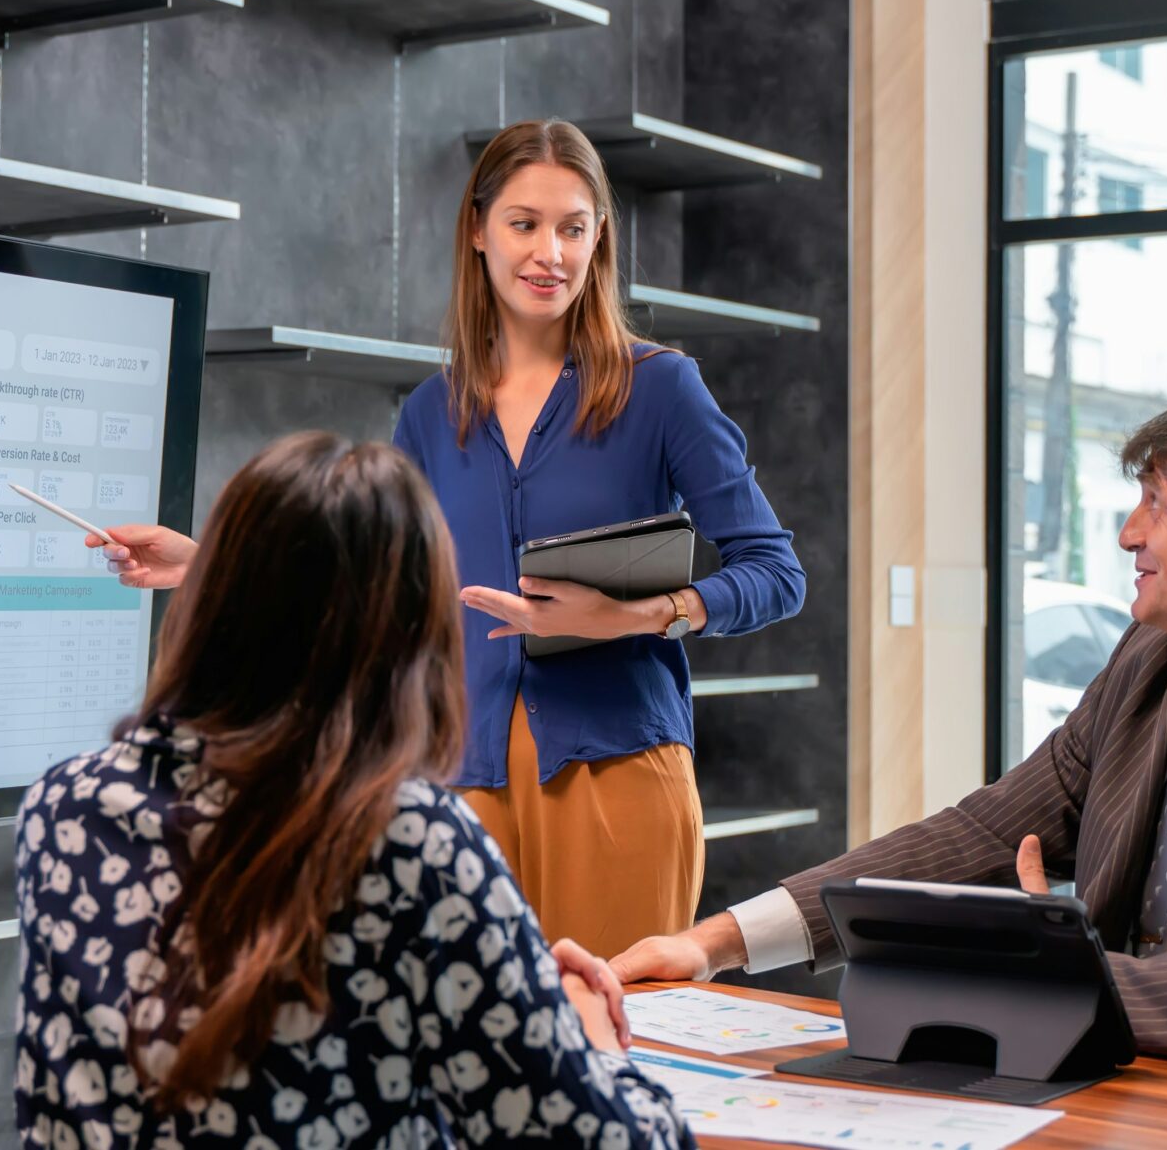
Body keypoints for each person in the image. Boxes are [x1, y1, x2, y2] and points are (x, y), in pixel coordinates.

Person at [92, 118, 806, 960]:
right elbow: (370, 576)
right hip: (458, 778)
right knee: (466, 1063)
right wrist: (210, 560)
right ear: (477, 230)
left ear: (599, 237)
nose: (551, 253)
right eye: (525, 224)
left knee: (619, 1048)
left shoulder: (660, 388)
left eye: (574, 228)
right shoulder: (432, 411)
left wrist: (644, 615)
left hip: (619, 779)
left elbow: (775, 571)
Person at [611, 379, 1167, 1075]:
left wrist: (1032, 971)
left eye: (1154, 505)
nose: (1129, 533)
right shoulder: (1151, 659)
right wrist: (714, 941)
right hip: (1123, 1096)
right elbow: (982, 831)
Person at [18, 432, 695, 1148]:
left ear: (213, 599)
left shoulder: (62, 808)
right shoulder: (409, 839)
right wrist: (586, 1033)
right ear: (411, 634)